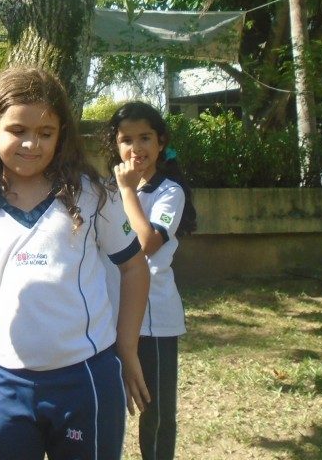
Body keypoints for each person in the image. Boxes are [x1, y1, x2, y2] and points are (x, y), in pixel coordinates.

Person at [0, 67, 151, 460]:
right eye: (17, 130)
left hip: (86, 381)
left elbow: (134, 267)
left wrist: (127, 347)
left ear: (61, 135)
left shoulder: (91, 197)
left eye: (45, 133)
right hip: (7, 386)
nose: (31, 143)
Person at [105, 101, 193, 460]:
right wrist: (120, 189)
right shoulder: (106, 189)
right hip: (111, 314)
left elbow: (145, 245)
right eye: (126, 139)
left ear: (161, 143)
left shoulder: (169, 191)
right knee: (110, 403)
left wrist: (127, 192)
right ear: (115, 144)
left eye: (145, 138)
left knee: (155, 411)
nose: (135, 148)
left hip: (155, 319)